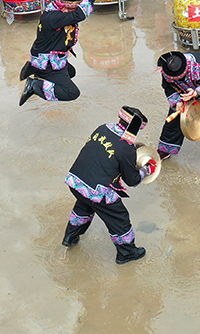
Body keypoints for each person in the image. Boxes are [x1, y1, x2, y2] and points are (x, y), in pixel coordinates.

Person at [61, 106, 154, 265]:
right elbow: (132, 180)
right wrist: (146, 169)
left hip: (76, 181)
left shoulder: (103, 128)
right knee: (119, 218)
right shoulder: (126, 147)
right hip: (96, 190)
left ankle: (70, 237)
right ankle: (127, 253)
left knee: (85, 205)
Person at [19, 0, 104, 105]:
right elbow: (79, 14)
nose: (73, 11)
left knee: (71, 72)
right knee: (71, 92)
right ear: (65, 8)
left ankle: (34, 69)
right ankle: (34, 85)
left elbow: (79, 7)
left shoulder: (58, 9)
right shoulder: (53, 17)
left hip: (53, 55)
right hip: (47, 61)